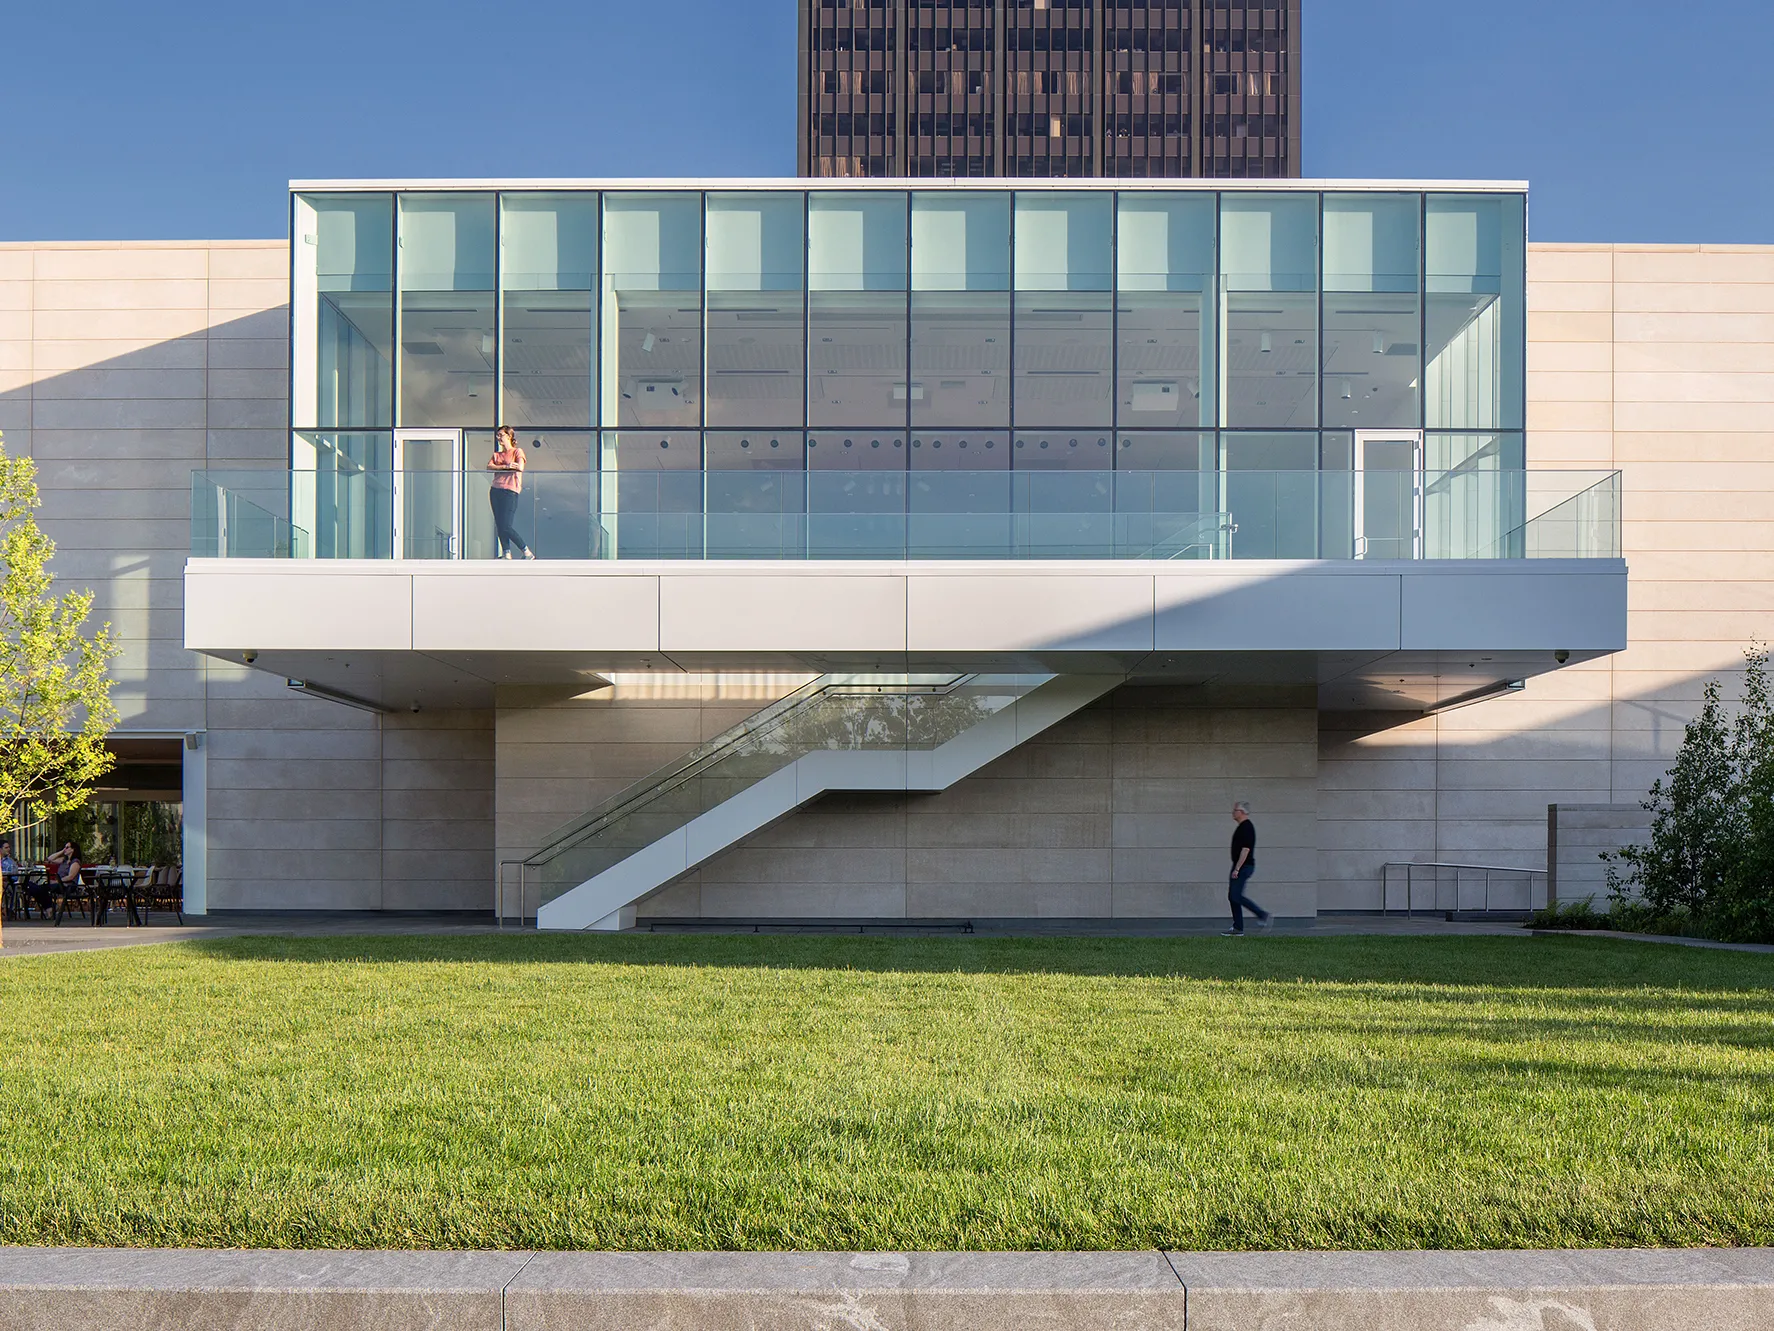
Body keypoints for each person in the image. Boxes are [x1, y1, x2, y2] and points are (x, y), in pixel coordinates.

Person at [1223, 802, 1271, 936]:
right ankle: (1238, 928)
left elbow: (1245, 850)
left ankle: (1262, 915)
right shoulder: (1242, 827)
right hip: (1240, 865)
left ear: (1242, 812)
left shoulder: (1247, 828)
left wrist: (1237, 868)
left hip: (1244, 866)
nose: (1233, 812)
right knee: (1233, 896)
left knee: (1235, 895)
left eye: (1235, 810)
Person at [486, 427, 535, 560]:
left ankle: (526, 551)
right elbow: (489, 466)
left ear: (509, 436)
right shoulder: (497, 454)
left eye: (501, 435)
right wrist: (506, 467)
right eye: (497, 435)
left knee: (506, 525)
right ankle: (506, 553)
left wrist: (501, 467)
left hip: (510, 491)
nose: (499, 438)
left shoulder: (517, 451)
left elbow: (519, 467)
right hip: (496, 490)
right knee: (499, 524)